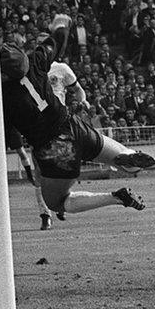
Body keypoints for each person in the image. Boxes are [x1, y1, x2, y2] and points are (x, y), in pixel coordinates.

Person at [0, 14, 155, 220]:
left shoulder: (2, 98)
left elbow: (10, 135)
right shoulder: (36, 62)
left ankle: (115, 197)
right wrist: (61, 23)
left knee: (57, 203)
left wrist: (26, 163)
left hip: (53, 149)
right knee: (123, 161)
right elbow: (59, 37)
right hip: (72, 125)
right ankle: (128, 156)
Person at [20, 56, 92, 231]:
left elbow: (78, 90)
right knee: (40, 173)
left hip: (61, 124)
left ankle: (60, 201)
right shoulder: (27, 71)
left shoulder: (61, 68)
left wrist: (82, 102)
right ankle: (45, 215)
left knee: (67, 167)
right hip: (37, 126)